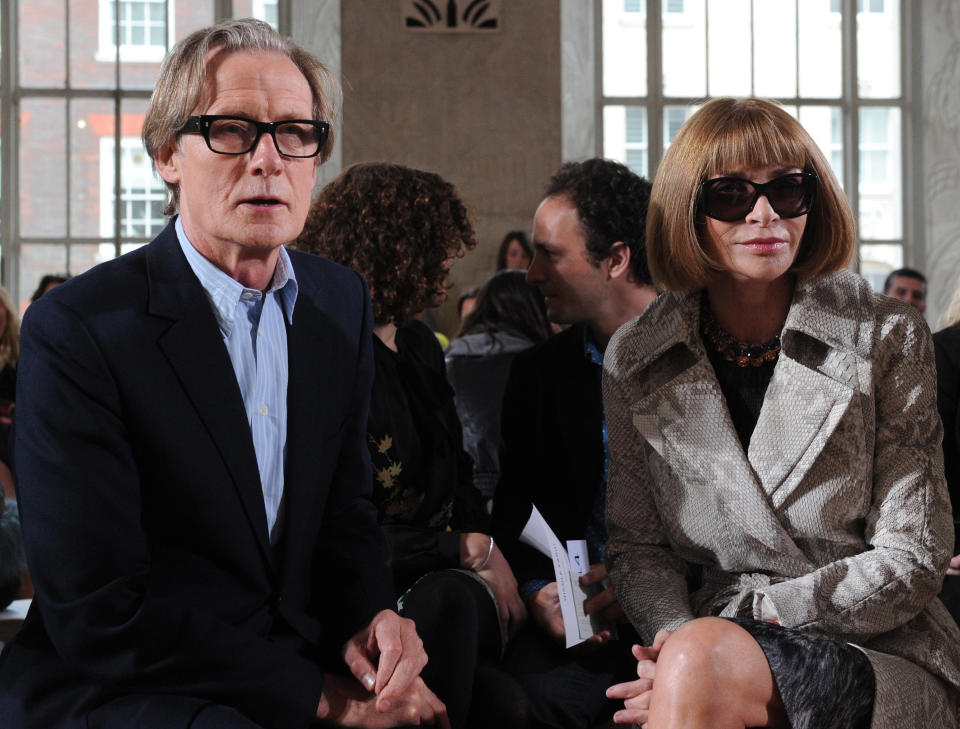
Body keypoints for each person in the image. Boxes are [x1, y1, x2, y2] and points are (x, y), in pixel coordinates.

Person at [0, 20, 444, 729]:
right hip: (124, 682)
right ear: (167, 154)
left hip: (291, 652)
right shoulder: (80, 331)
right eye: (234, 130)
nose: (269, 159)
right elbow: (101, 612)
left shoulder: (338, 302)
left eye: (297, 132)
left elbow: (345, 513)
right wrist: (321, 698)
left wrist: (375, 620)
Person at [603, 97, 960, 729]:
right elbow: (639, 547)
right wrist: (676, 647)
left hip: (880, 650)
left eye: (788, 190)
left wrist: (742, 625)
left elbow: (914, 555)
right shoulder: (637, 356)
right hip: (705, 645)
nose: (764, 214)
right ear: (689, 208)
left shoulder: (888, 337)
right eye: (732, 195)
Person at [295, 162, 526, 729]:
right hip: (372, 584)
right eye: (440, 245)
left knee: (510, 699)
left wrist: (492, 552)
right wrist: (466, 549)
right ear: (399, 248)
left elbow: (461, 470)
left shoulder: (420, 343)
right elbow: (336, 524)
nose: (451, 261)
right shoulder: (325, 349)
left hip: (442, 571)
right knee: (448, 611)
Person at [491, 159, 657, 729]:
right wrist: (539, 594)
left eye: (550, 254)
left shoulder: (709, 361)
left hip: (693, 620)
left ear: (616, 259)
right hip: (577, 631)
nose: (531, 274)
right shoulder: (538, 375)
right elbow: (513, 507)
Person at [445, 270, 552, 509]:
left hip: (463, 493)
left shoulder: (449, 362)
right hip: (529, 493)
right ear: (533, 310)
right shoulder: (542, 362)